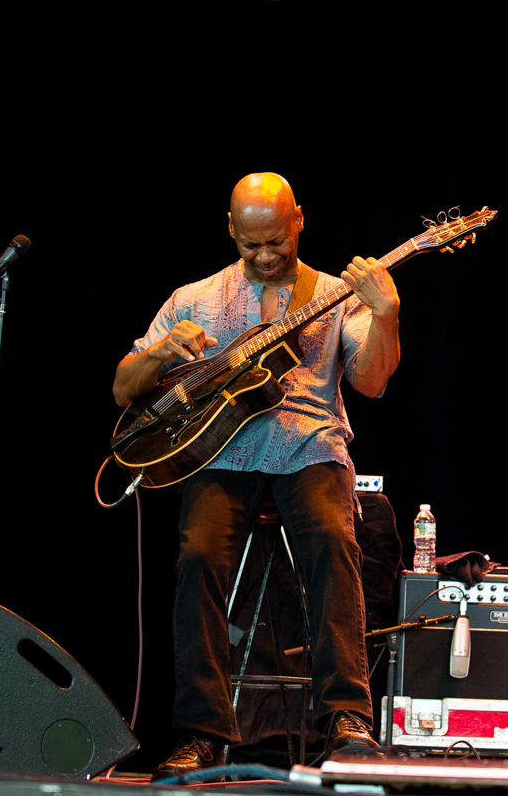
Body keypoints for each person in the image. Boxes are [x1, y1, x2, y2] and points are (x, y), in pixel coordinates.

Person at [113, 172, 400, 780]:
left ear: (298, 219)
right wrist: (163, 353)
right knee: (197, 558)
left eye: (277, 241)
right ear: (232, 232)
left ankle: (347, 719)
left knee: (332, 539)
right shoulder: (194, 297)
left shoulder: (333, 293)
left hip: (309, 445)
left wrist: (387, 313)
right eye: (252, 246)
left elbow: (372, 382)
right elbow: (123, 388)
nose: (267, 256)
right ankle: (202, 733)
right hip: (222, 454)